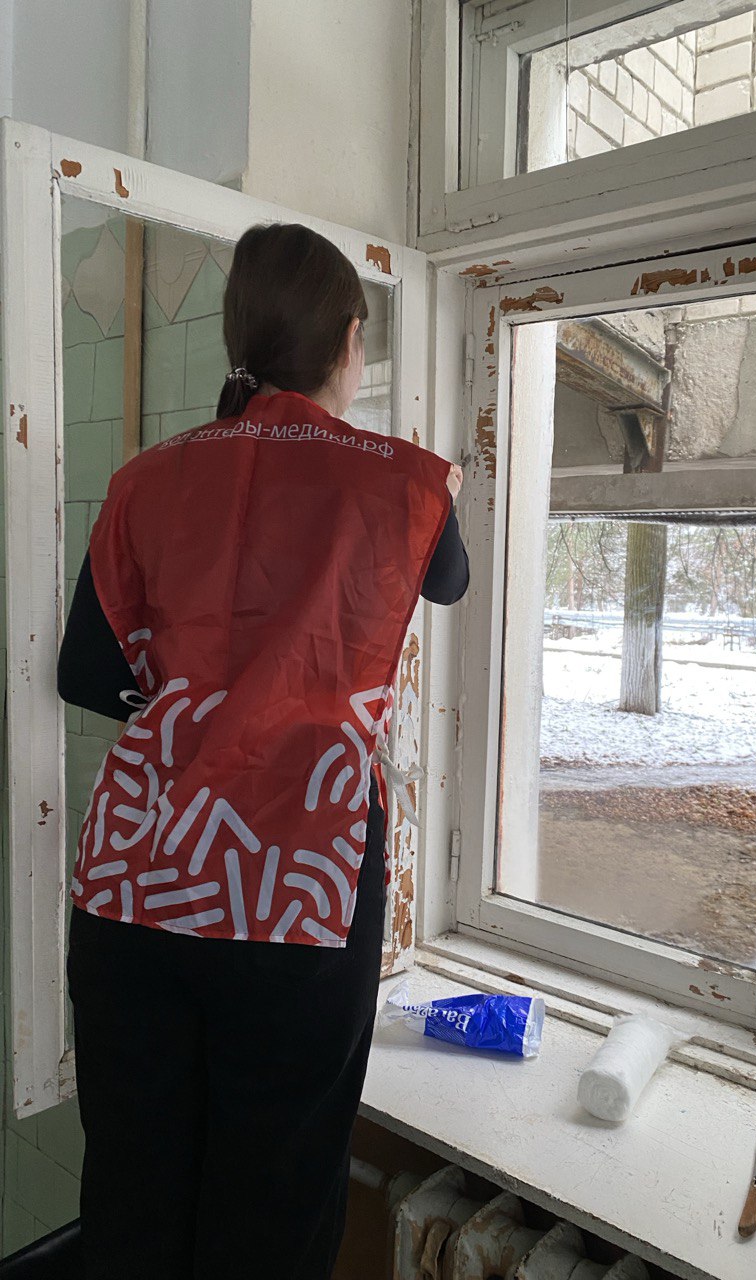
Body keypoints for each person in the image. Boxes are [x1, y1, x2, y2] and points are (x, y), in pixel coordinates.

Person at [58, 222, 469, 1280]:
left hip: (139, 879)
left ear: (237, 337)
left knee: (135, 1196)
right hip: (298, 884)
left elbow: (83, 673)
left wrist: (199, 698)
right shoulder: (401, 482)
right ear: (348, 341)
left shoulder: (146, 479)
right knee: (274, 1205)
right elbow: (452, 580)